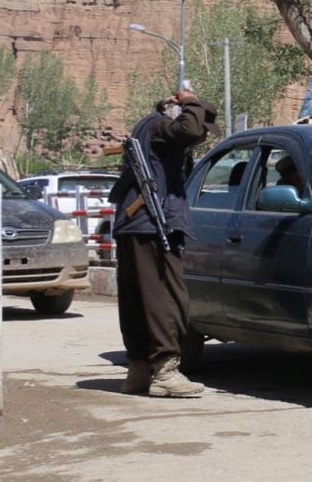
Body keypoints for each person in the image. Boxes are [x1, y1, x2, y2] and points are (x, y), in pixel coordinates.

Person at [109, 87, 217, 397]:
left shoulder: (153, 128)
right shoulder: (160, 127)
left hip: (139, 225)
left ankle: (139, 370)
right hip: (150, 225)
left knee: (140, 299)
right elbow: (191, 128)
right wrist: (192, 102)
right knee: (165, 299)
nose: (201, 135)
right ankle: (165, 370)